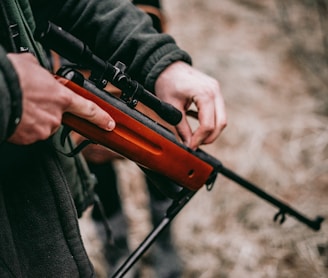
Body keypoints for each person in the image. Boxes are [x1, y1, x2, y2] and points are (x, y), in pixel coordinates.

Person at [0, 0, 227, 277]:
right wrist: (8, 91)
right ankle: (115, 246)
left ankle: (164, 239)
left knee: (160, 143)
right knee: (95, 149)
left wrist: (158, 59)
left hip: (123, 24)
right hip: (59, 68)